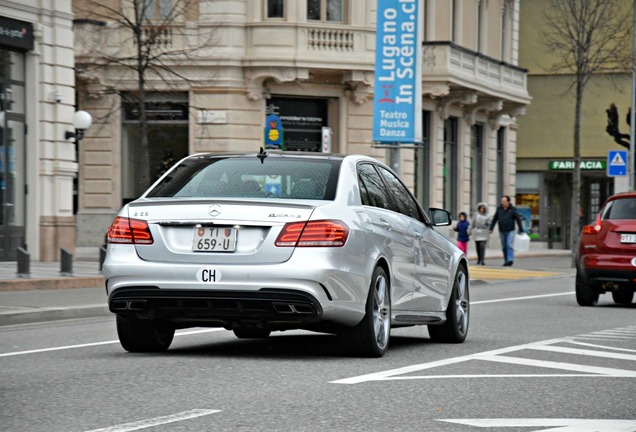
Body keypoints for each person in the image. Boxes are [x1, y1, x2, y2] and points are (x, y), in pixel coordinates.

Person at [489, 195, 524, 266]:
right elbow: (495, 218)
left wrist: (521, 230)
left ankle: (510, 259)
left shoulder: (513, 209)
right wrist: (491, 228)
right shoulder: (499, 208)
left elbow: (518, 219)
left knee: (509, 244)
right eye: (502, 201)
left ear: (508, 202)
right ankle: (506, 260)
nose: (503, 202)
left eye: (504, 201)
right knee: (504, 246)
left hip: (510, 230)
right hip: (502, 230)